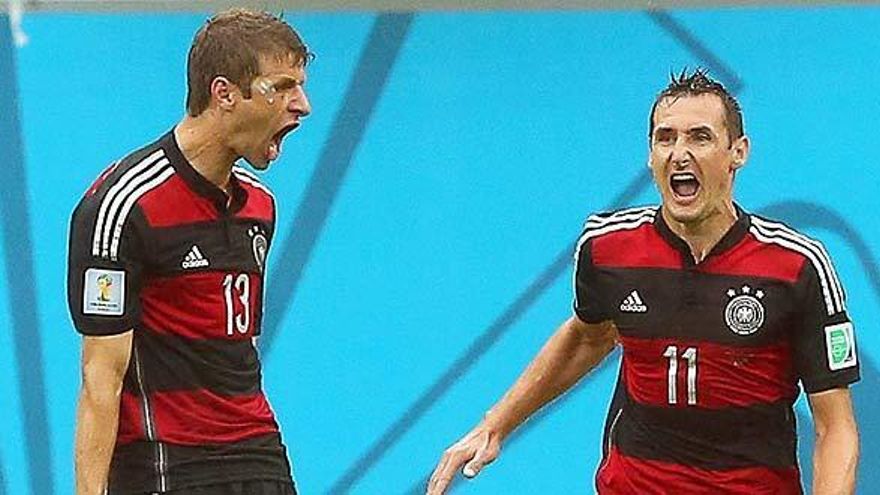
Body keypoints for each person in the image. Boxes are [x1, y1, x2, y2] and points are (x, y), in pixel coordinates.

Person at [427, 69, 860, 494]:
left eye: (700, 137)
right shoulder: (607, 248)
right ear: (650, 155)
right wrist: (495, 424)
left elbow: (834, 427)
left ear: (738, 152)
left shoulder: (797, 265)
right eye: (665, 138)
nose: (679, 153)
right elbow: (587, 338)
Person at [66, 9, 312, 494]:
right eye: (281, 87)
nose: (302, 105)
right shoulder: (123, 204)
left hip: (259, 456)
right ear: (223, 93)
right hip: (168, 465)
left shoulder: (260, 206)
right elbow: (101, 381)